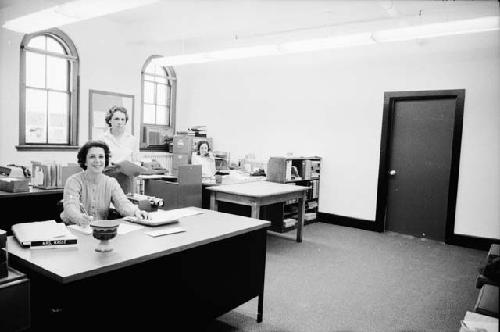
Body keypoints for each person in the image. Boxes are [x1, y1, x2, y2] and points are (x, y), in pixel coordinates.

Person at [61, 140, 149, 227]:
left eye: (101, 157)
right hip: (74, 228)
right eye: (92, 157)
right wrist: (79, 218)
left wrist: (136, 211)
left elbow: (123, 204)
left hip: (99, 230)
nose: (97, 161)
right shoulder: (73, 181)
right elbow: (70, 206)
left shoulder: (111, 182)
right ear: (85, 161)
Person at [100, 105, 140, 194]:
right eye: (117, 119)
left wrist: (136, 169)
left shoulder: (132, 140)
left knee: (125, 205)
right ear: (110, 120)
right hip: (107, 178)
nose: (120, 122)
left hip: (126, 179)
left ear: (126, 121)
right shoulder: (102, 139)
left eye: (123, 119)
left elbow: (136, 161)